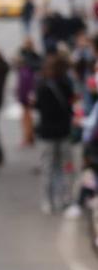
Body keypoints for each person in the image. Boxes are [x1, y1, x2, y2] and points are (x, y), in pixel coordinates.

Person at [34, 53, 76, 214]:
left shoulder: (42, 85)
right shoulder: (67, 83)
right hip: (64, 131)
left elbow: (38, 107)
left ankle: (47, 200)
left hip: (47, 133)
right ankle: (66, 197)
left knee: (48, 167)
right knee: (66, 166)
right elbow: (71, 104)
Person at [15, 37, 42, 148]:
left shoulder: (27, 64)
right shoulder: (35, 58)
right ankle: (29, 137)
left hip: (26, 92)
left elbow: (24, 83)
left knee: (26, 116)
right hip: (29, 91)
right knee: (27, 116)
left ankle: (27, 137)